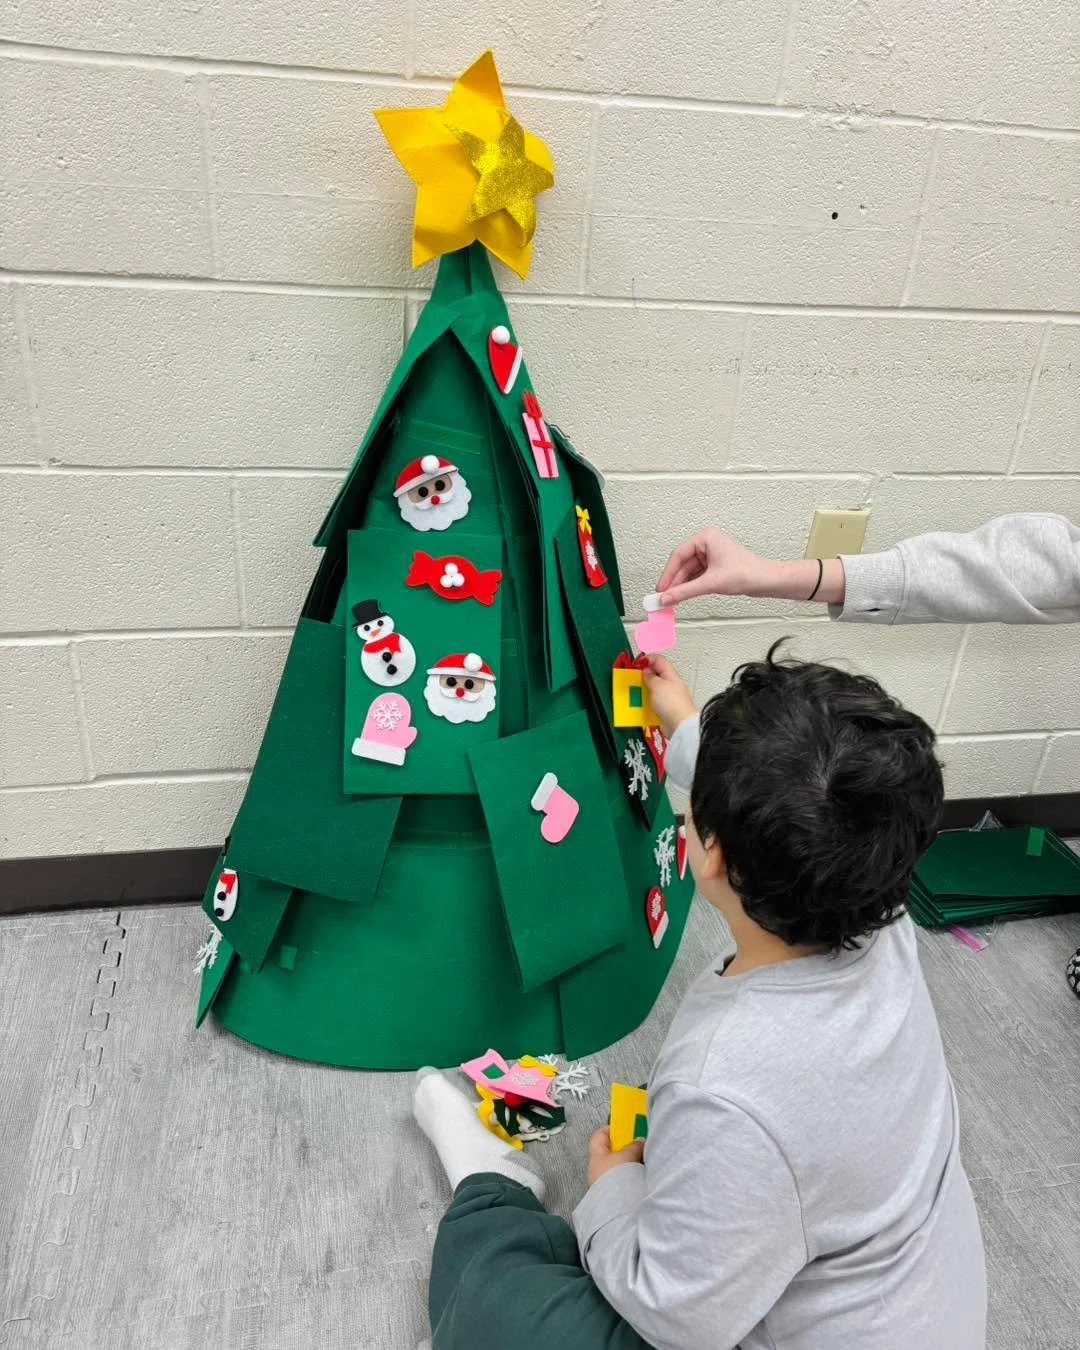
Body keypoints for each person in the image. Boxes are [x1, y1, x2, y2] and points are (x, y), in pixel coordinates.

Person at [414, 644, 987, 1349]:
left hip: (735, 1312)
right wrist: (682, 723)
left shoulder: (725, 1083)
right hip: (915, 1298)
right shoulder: (878, 900)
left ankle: (492, 1187)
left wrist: (612, 1188)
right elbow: (797, 806)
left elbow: (677, 1315)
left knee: (496, 1304)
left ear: (706, 855)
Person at [656, 511, 1080, 995]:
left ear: (714, 853)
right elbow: (762, 785)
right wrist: (684, 720)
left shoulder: (703, 1065)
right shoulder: (878, 912)